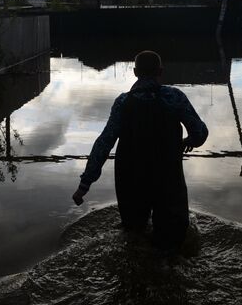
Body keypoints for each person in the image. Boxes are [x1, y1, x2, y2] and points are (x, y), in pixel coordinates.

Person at [72, 50, 208, 250]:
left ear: (135, 72)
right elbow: (200, 132)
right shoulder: (174, 97)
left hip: (131, 179)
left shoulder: (123, 102)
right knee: (172, 242)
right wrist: (188, 141)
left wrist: (85, 183)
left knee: (134, 238)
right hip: (168, 177)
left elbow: (104, 142)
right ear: (160, 71)